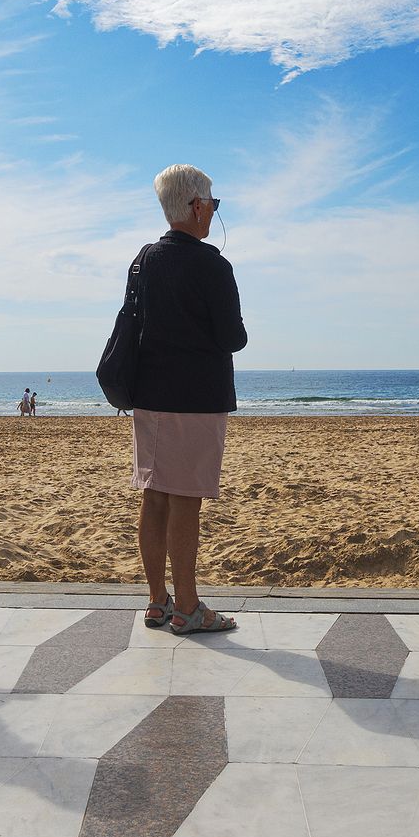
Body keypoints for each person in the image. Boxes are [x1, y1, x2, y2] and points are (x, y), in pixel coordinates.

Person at [129, 164, 247, 635]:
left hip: (149, 394)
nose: (214, 212)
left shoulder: (144, 259)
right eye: (213, 204)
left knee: (154, 495)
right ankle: (189, 607)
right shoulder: (212, 265)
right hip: (196, 397)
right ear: (196, 206)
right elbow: (233, 337)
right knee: (186, 500)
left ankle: (158, 600)